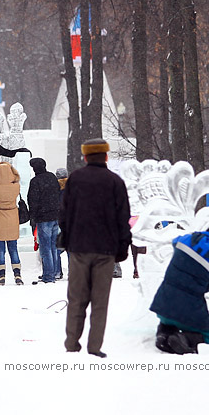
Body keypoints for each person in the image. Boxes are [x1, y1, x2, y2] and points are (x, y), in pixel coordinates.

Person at [60, 138, 131, 358]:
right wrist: (122, 247)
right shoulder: (115, 182)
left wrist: (68, 239)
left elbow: (64, 214)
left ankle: (72, 343)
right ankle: (95, 346)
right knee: (100, 301)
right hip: (106, 250)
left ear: (85, 157)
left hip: (79, 248)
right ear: (106, 157)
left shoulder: (75, 180)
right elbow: (123, 218)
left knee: (76, 298)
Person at [151, 224, 209, 355]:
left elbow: (175, 241)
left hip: (163, 303)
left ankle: (164, 332)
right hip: (190, 310)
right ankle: (184, 339)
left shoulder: (186, 239)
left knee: (171, 319)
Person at [0, 161, 23, 285]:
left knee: (0, 249)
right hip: (12, 217)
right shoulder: (16, 187)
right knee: (13, 248)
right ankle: (17, 275)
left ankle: (1, 276)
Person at [28, 158, 61, 284]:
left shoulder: (35, 181)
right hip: (56, 215)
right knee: (53, 246)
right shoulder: (52, 177)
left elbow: (33, 200)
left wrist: (33, 217)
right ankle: (54, 272)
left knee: (45, 248)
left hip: (43, 218)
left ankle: (48, 275)